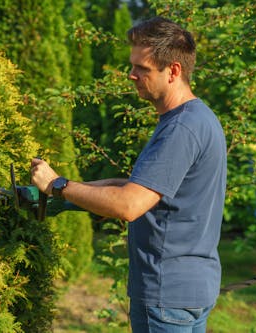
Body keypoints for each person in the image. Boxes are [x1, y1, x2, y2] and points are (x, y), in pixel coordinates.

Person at [31, 16, 227, 333]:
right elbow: (138, 190)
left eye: (142, 68)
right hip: (189, 288)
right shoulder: (198, 118)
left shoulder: (181, 128)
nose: (131, 75)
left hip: (165, 294)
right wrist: (66, 196)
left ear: (173, 71)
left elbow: (128, 205)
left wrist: (59, 185)